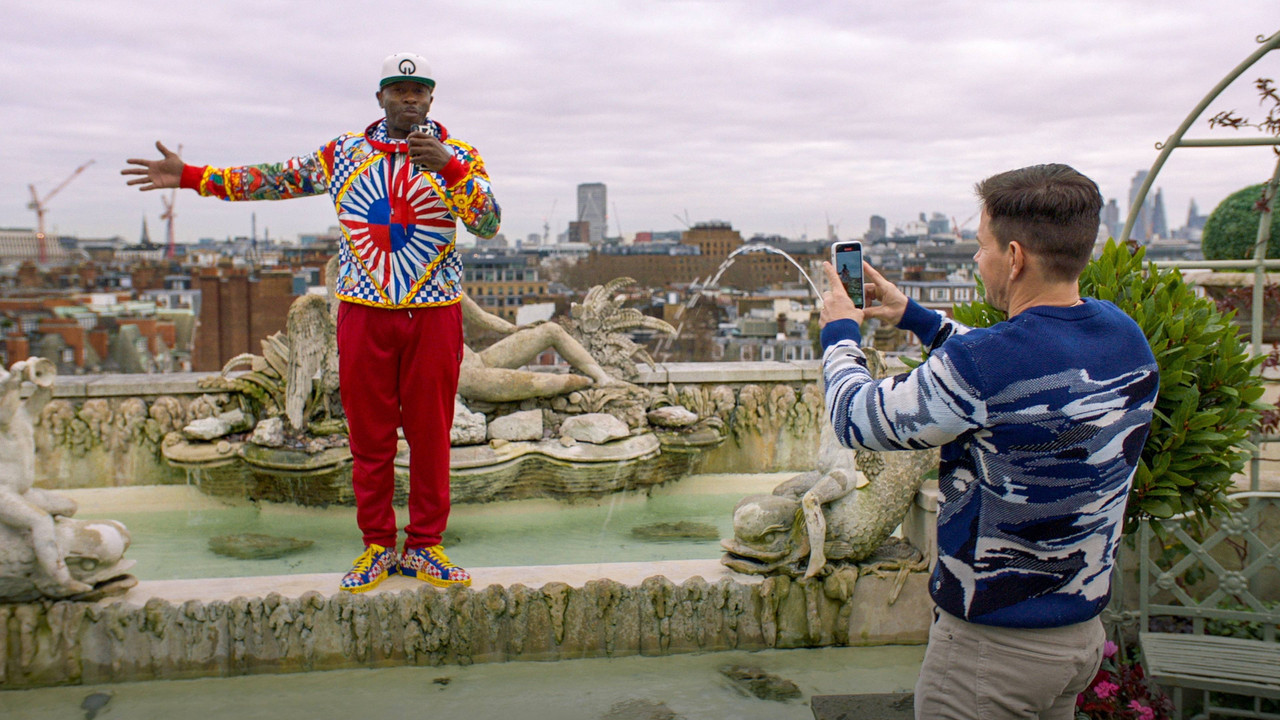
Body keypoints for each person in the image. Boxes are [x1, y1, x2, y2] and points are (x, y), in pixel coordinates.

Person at [123, 53, 500, 594]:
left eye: (419, 90)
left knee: (431, 436)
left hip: (434, 315)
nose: (409, 98)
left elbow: (487, 222)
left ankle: (424, 546)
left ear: (432, 99)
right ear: (380, 98)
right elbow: (272, 180)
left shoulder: (459, 155)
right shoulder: (343, 153)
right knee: (369, 440)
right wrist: (190, 177)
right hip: (364, 314)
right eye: (399, 89)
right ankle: (377, 546)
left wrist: (449, 168)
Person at [818, 164, 1159, 720]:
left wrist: (839, 331)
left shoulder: (984, 365)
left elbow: (855, 418)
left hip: (992, 655)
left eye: (981, 247)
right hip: (1078, 637)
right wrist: (918, 318)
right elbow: (1023, 370)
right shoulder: (1123, 336)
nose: (977, 260)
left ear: (1015, 257)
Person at [457, 293, 625, 403]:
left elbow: (480, 316)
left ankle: (603, 378)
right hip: (463, 377)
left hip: (479, 360)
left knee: (551, 330)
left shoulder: (448, 284)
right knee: (541, 383)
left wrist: (514, 329)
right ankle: (589, 384)